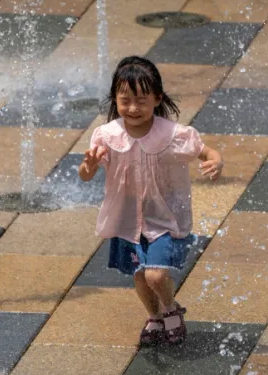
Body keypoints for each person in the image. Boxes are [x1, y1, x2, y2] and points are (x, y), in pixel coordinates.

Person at [78, 56, 223, 346]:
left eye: (142, 100)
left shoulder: (171, 135)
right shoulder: (107, 135)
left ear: (157, 98)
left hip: (164, 218)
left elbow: (207, 152)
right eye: (125, 100)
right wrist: (89, 167)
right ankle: (154, 317)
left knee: (156, 276)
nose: (133, 108)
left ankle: (170, 309)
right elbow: (84, 175)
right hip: (127, 220)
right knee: (140, 278)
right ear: (115, 99)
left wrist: (216, 162)